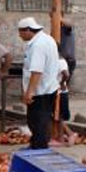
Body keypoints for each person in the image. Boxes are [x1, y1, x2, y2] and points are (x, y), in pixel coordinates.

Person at [18, 17, 60, 150]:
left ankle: (39, 148)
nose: (20, 35)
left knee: (37, 121)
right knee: (41, 120)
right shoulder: (47, 39)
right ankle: (36, 144)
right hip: (49, 87)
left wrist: (30, 92)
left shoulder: (38, 45)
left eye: (20, 32)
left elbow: (37, 71)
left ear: (28, 30)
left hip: (41, 90)